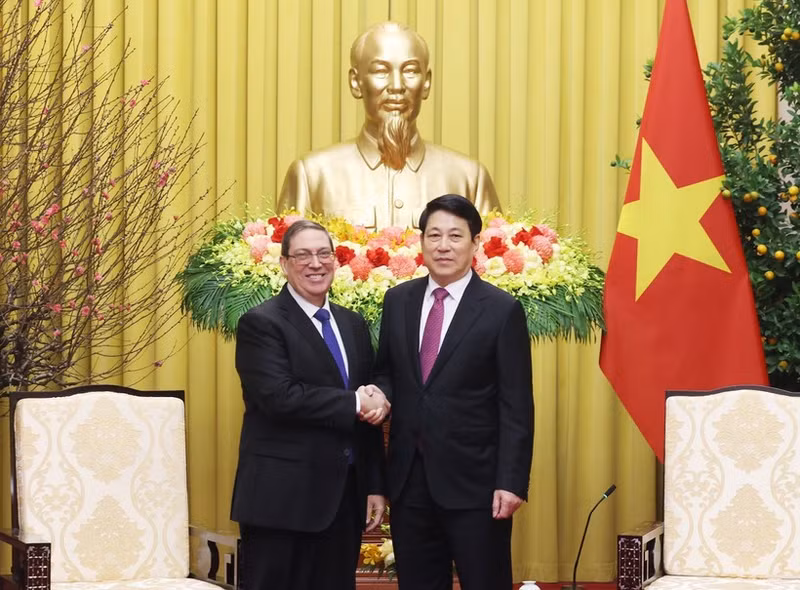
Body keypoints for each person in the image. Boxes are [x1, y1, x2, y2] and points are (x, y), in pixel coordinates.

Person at [372, 195, 534, 589]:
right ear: (421, 242)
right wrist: (378, 395)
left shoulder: (501, 309)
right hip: (409, 481)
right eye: (434, 235)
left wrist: (511, 481)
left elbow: (516, 404)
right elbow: (388, 372)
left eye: (455, 236)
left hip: (477, 485)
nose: (443, 246)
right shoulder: (398, 300)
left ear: (475, 243)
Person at [231, 219, 390, 590]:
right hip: (281, 502)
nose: (315, 263)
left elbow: (364, 411)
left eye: (323, 254)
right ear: (284, 264)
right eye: (302, 255)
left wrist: (374, 484)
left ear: (336, 260)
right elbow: (278, 397)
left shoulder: (352, 324)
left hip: (343, 500)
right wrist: (356, 401)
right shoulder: (261, 323)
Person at [277, 22, 500, 229]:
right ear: (356, 82)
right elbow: (286, 254)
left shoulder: (469, 178)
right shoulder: (312, 175)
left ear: (426, 82)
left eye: (410, 70)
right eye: (381, 71)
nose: (396, 86)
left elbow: (492, 253)